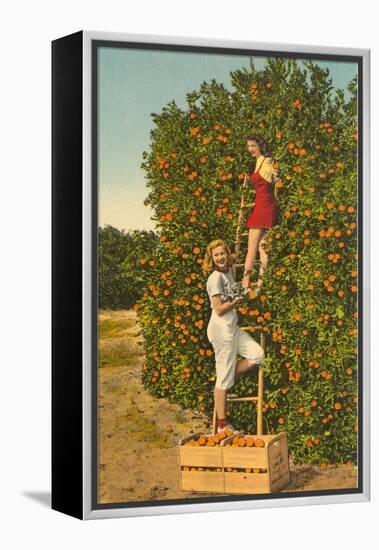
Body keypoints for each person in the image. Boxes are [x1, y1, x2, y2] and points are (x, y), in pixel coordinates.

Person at [203, 239, 265, 433]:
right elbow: (219, 309)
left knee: (257, 355)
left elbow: (235, 262)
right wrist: (235, 302)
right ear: (211, 259)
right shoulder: (214, 279)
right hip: (221, 331)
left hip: (233, 328)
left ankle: (227, 380)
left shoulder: (228, 271)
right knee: (222, 378)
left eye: (223, 253)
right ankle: (222, 424)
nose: (220, 258)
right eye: (216, 255)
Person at [242, 135, 280, 291]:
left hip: (264, 207)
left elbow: (275, 181)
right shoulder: (258, 161)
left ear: (259, 145)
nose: (250, 149)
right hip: (263, 205)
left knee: (252, 247)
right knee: (262, 248)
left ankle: (244, 285)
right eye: (248, 146)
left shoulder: (267, 161)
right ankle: (260, 285)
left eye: (252, 145)